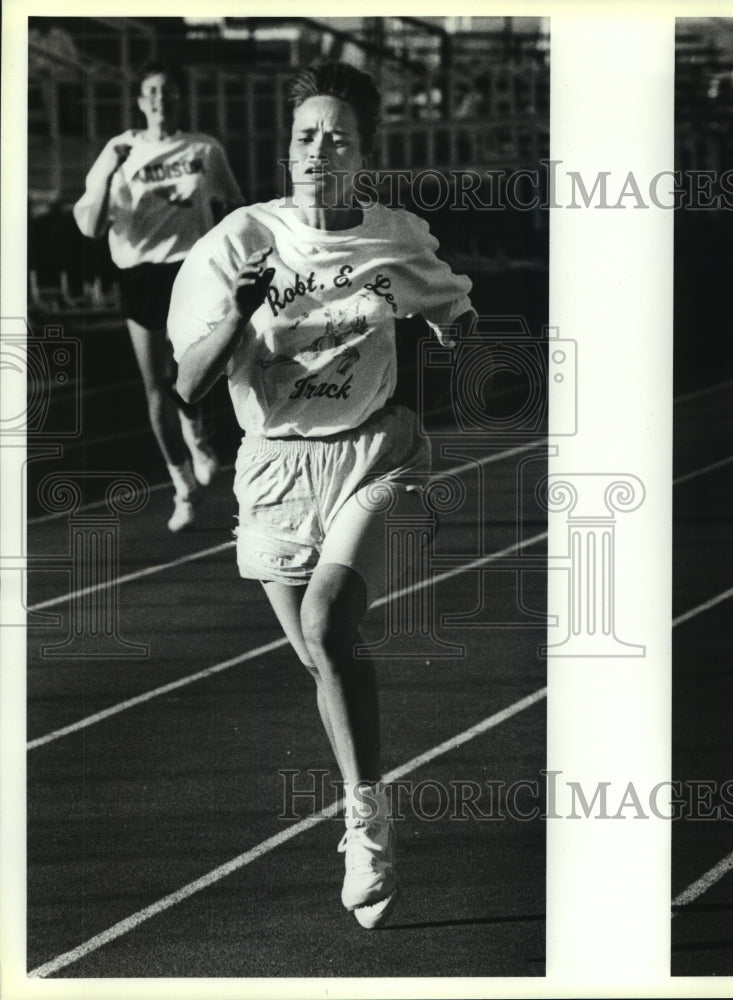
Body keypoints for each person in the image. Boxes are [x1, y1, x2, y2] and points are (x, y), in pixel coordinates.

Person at [168, 61, 476, 929]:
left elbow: (455, 313)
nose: (319, 150)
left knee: (328, 626)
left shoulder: (394, 238)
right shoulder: (234, 240)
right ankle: (364, 793)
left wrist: (461, 340)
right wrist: (237, 310)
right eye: (306, 136)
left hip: (375, 450)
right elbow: (189, 382)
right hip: (273, 469)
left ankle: (366, 826)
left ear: (364, 153)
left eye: (338, 137)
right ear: (287, 150)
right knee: (322, 661)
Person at [73, 60, 244, 531]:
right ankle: (183, 484)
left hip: (192, 269)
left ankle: (201, 437)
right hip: (140, 275)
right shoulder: (119, 149)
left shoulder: (204, 148)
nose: (160, 100)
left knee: (196, 365)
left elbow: (235, 206)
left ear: (180, 98)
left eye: (169, 91)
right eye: (151, 91)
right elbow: (90, 224)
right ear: (139, 100)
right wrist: (108, 170)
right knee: (156, 384)